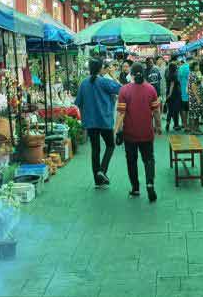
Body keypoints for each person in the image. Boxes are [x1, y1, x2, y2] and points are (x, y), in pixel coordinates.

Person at [114, 63, 162, 202]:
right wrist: (158, 127)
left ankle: (135, 188)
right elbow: (156, 112)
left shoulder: (124, 90)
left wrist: (116, 130)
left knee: (131, 161)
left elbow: (121, 114)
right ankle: (150, 183)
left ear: (132, 75)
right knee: (148, 159)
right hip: (147, 133)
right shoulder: (151, 89)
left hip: (130, 135)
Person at [74, 58, 122, 188]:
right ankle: (102, 170)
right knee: (110, 146)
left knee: (95, 150)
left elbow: (78, 103)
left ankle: (97, 181)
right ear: (101, 68)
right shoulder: (104, 82)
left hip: (90, 122)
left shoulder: (83, 83)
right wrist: (112, 75)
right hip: (105, 120)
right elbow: (121, 89)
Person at [187, 61, 203, 135]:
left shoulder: (192, 74)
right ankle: (195, 129)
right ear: (194, 66)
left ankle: (195, 129)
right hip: (195, 97)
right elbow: (193, 87)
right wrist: (197, 98)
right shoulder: (193, 75)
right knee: (195, 114)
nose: (198, 67)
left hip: (194, 97)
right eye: (197, 65)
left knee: (195, 113)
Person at [165, 62, 182, 131]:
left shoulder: (168, 74)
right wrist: (170, 94)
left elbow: (169, 85)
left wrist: (168, 95)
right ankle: (176, 125)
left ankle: (168, 123)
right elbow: (172, 85)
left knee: (170, 110)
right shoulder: (174, 75)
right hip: (175, 94)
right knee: (176, 110)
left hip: (169, 93)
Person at [177, 58, 191, 131]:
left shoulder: (180, 68)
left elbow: (178, 80)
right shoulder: (189, 68)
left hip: (182, 92)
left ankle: (184, 124)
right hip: (189, 91)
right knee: (188, 109)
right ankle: (188, 124)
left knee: (183, 109)